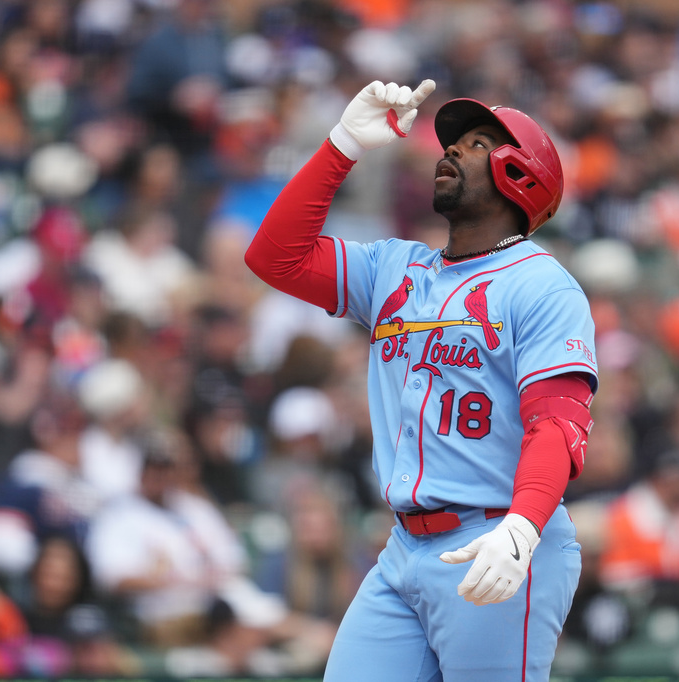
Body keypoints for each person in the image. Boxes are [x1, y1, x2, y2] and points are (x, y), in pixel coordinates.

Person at [245, 79, 598, 680]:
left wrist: (522, 527)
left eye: (479, 143)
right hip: (403, 548)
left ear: (522, 173)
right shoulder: (394, 268)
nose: (453, 150)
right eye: (454, 142)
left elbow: (559, 425)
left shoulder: (543, 285)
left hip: (493, 540)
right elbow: (274, 256)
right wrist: (341, 147)